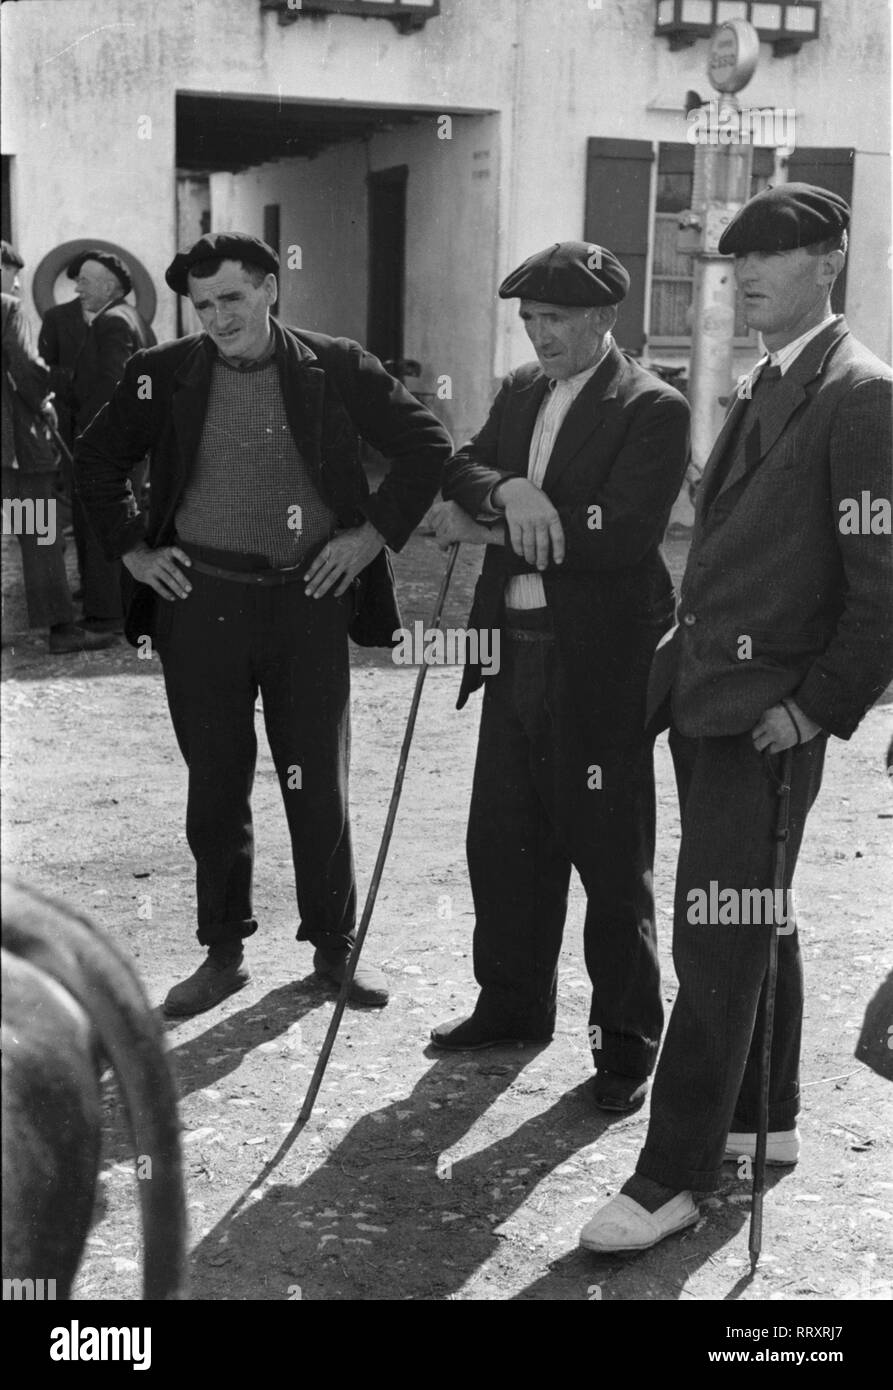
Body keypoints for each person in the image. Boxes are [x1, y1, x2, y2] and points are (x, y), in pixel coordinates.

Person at [580, 184, 893, 1253]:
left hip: (766, 713)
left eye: (776, 254)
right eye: (737, 259)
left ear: (830, 263)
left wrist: (812, 708)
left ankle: (670, 1173)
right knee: (751, 907)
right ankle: (765, 1120)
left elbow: (881, 580)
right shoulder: (772, 379)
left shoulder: (857, 395)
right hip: (711, 694)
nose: (747, 274)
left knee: (712, 921)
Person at [75, 232, 451, 1015]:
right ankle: (223, 951)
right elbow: (95, 461)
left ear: (271, 290)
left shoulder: (335, 364)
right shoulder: (162, 373)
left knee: (315, 778)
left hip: (306, 599)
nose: (217, 317)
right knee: (215, 782)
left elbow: (425, 444)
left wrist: (369, 534)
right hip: (199, 603)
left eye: (233, 299)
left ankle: (332, 950)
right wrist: (136, 552)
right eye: (203, 304)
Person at [427, 241, 690, 1114]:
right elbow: (457, 465)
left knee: (609, 855)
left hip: (600, 663)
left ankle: (625, 1045)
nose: (539, 335)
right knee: (503, 837)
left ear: (603, 320)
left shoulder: (651, 406)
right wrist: (508, 490)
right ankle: (510, 1005)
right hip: (512, 649)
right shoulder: (519, 392)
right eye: (530, 320)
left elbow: (616, 533)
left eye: (556, 320)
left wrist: (486, 528)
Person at [1, 241, 113, 655]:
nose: (14, 283)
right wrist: (45, 398)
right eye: (11, 273)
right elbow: (27, 369)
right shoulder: (7, 308)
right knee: (39, 535)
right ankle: (61, 629)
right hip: (15, 452)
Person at [66, 250, 156, 633]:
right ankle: (110, 604)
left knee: (100, 523)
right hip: (125, 446)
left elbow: (112, 388)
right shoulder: (128, 317)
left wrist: (93, 443)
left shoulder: (113, 323)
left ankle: (106, 613)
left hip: (110, 448)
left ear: (109, 286)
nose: (77, 288)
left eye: (84, 281)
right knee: (116, 521)